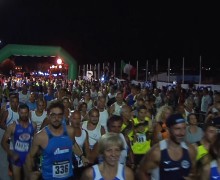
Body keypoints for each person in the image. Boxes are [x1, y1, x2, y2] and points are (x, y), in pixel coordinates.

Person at [26, 100, 88, 180]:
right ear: (48, 115)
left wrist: (82, 156)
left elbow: (73, 144)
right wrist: (31, 172)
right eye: (53, 115)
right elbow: (30, 156)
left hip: (68, 176)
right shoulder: (40, 136)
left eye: (59, 115)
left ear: (63, 116)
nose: (56, 118)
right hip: (49, 177)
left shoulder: (70, 131)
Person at [136, 113, 197, 180]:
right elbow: (141, 172)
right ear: (168, 130)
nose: (182, 133)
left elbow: (193, 174)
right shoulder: (157, 152)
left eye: (184, 128)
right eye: (177, 129)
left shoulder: (190, 150)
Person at [1, 104, 37, 180]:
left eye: (26, 113)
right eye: (22, 113)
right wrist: (11, 153)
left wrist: (33, 155)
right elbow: (3, 142)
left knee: (29, 178)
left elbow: (35, 142)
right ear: (18, 112)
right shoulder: (12, 126)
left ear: (28, 112)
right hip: (16, 156)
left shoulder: (33, 125)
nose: (24, 115)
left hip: (28, 156)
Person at [69, 110, 91, 180]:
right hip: (69, 167)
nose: (77, 121)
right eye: (74, 118)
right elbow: (73, 146)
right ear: (70, 118)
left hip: (81, 165)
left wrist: (87, 160)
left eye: (78, 118)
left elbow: (87, 149)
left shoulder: (84, 133)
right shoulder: (65, 132)